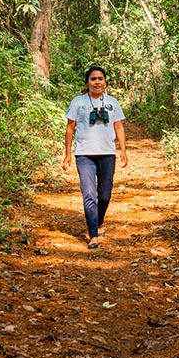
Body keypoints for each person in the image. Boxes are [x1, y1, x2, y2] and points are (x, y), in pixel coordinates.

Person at [62, 65, 128, 248]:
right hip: (84, 155)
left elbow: (119, 127)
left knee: (105, 195)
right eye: (93, 79)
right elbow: (70, 128)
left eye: (100, 78)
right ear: (87, 82)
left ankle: (97, 221)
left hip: (107, 154)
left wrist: (123, 150)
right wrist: (68, 154)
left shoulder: (113, 102)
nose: (97, 82)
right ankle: (93, 235)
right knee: (89, 194)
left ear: (105, 82)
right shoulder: (78, 102)